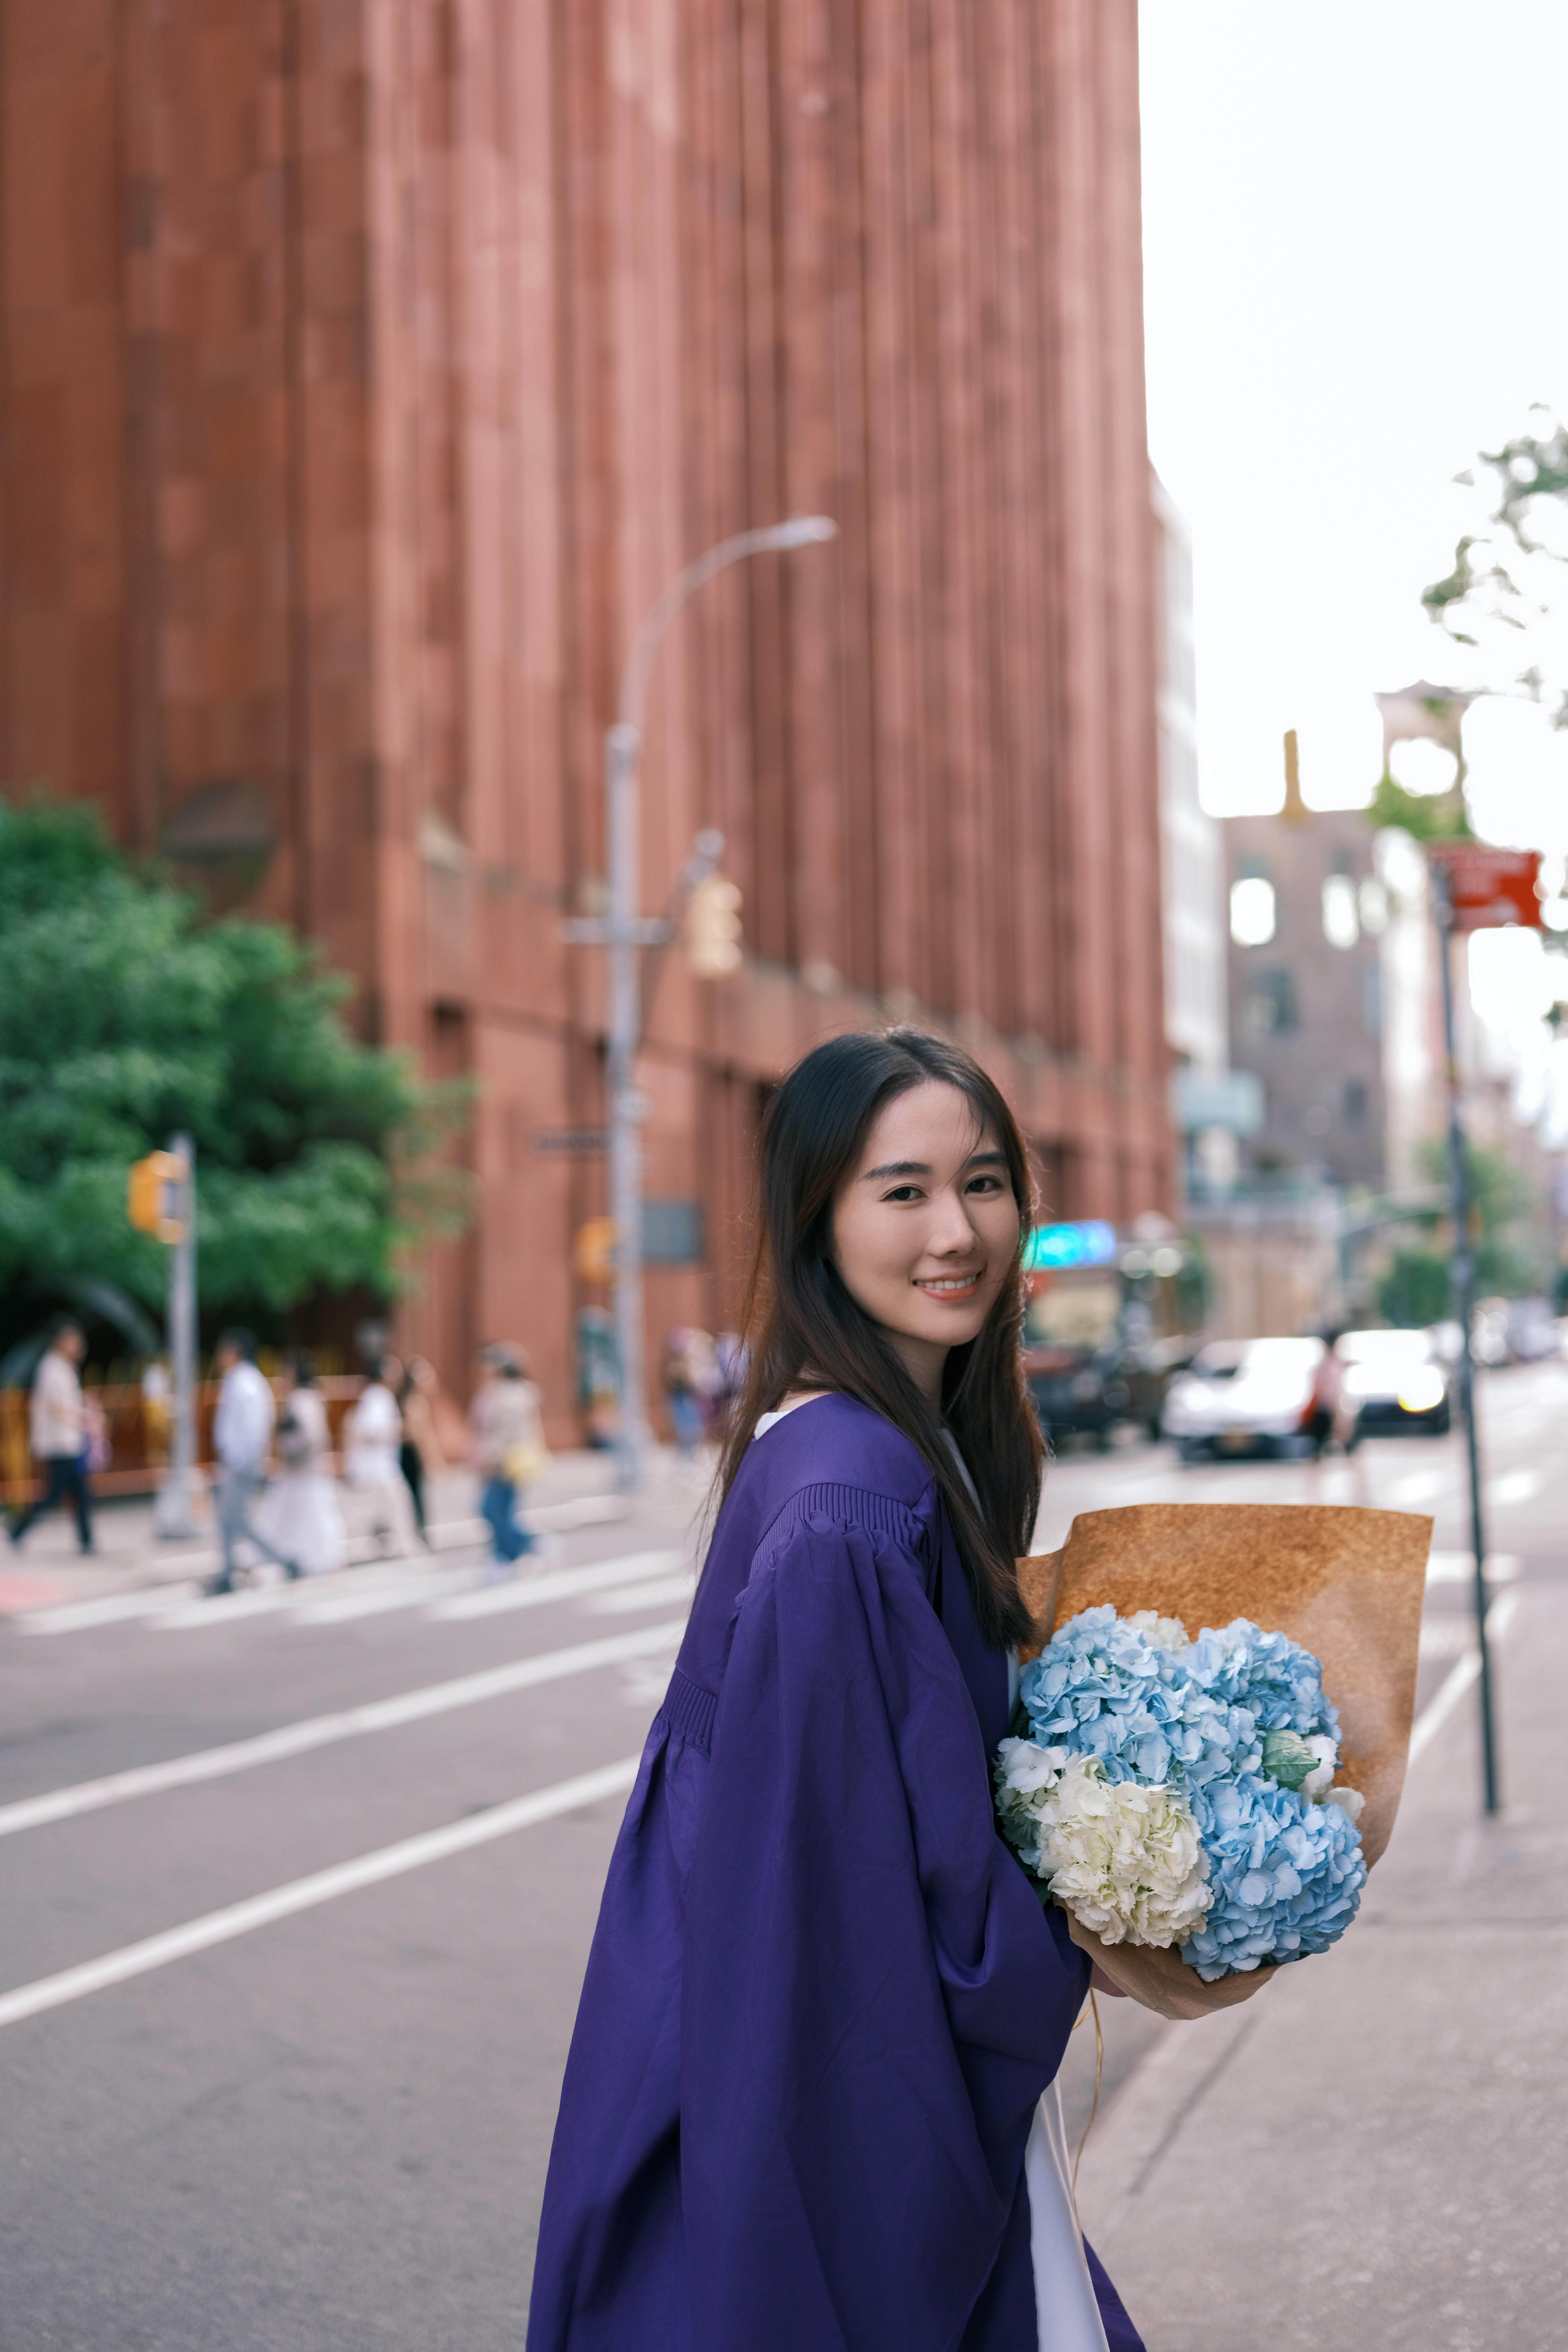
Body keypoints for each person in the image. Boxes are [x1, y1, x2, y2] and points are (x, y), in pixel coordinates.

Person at [527, 1029, 1144, 2352]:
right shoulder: (851, 1504)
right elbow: (849, 1884)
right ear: (818, 1218)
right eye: (902, 1188)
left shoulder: (882, 1456)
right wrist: (1102, 1918)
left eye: (983, 1181)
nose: (958, 1227)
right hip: (810, 2068)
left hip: (767, 2022)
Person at [208, 1330, 300, 1595]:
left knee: (237, 1520)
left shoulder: (245, 1383)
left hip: (239, 1464)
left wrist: (241, 1460)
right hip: (235, 1462)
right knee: (229, 1521)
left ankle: (284, 1559)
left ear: (234, 1352)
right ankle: (228, 1572)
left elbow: (253, 1427)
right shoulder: (239, 1380)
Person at [254, 1351, 346, 1577]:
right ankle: (305, 1556)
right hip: (302, 1471)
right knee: (298, 1516)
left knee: (312, 1515)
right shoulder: (308, 1398)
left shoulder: (302, 1399)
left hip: (304, 1470)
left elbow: (310, 1436)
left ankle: (319, 1557)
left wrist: (287, 1451)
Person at [8, 1316, 95, 1554]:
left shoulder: (62, 1367)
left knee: (78, 1492)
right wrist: (84, 1416)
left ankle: (87, 1541)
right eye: (73, 1339)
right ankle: (18, 1529)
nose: (78, 1344)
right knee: (57, 1494)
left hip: (67, 1441)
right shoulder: (53, 1368)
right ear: (60, 1341)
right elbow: (59, 1406)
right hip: (60, 1443)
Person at [469, 1344, 545, 1577]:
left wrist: (491, 1458)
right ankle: (515, 1550)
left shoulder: (509, 1396)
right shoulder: (503, 1393)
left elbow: (507, 1433)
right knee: (500, 1509)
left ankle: (521, 1547)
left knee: (493, 1508)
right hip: (505, 1459)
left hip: (505, 1461)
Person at [343, 1354, 420, 1557]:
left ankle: (392, 1544)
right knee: (397, 1508)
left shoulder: (375, 1395)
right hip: (380, 1468)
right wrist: (397, 1430)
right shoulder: (379, 1396)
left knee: (382, 1511)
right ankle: (406, 1546)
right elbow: (370, 1431)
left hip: (377, 1467)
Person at [396, 1356, 445, 1545]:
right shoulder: (414, 1402)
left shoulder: (415, 1400)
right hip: (411, 1455)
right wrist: (429, 1460)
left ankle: (419, 1532)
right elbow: (419, 1436)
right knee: (414, 1496)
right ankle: (419, 1534)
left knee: (415, 1496)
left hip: (411, 1454)